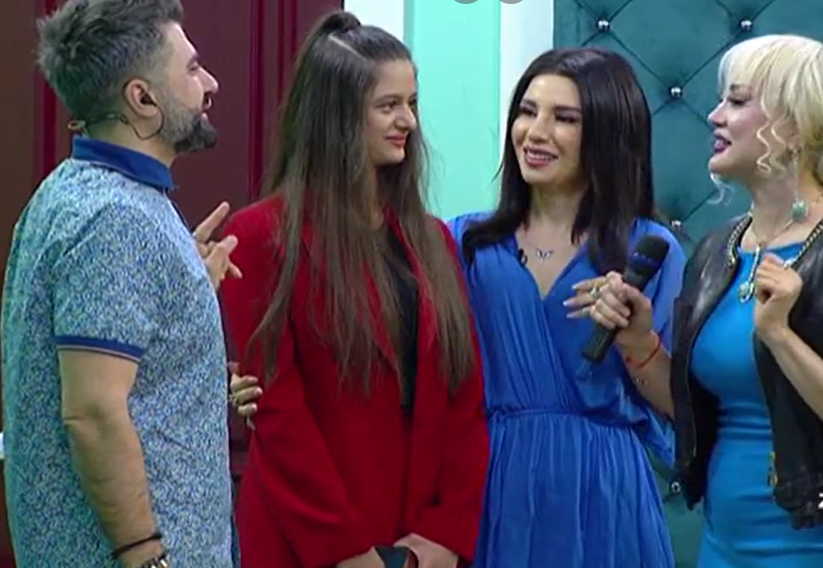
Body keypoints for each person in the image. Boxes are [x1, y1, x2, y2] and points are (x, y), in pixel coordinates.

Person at [231, 46, 684, 567]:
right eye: (527, 111)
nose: (535, 132)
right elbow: (417, 367)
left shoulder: (649, 251)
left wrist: (637, 341)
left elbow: (681, 408)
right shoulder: (463, 242)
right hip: (494, 486)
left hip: (604, 489)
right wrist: (252, 385)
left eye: (564, 118)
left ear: (607, 134)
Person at [586, 34, 823, 567]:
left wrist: (781, 336)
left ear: (797, 126)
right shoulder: (719, 249)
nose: (715, 116)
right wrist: (639, 342)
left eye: (737, 101)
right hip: (727, 544)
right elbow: (694, 411)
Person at [219, 11, 489, 568]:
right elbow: (280, 413)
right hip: (305, 538)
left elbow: (465, 398)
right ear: (338, 117)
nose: (409, 121)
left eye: (412, 102)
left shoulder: (432, 239)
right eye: (388, 106)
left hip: (418, 541)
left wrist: (445, 534)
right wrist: (345, 550)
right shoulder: (261, 236)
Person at [0, 1, 241, 567]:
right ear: (142, 98)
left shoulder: (73, 191)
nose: (210, 84)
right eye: (192, 68)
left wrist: (185, 288)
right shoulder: (117, 219)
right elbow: (93, 413)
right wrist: (147, 557)